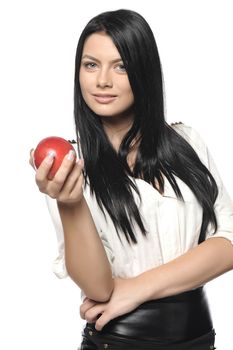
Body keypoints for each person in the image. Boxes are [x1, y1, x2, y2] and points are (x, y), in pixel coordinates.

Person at [29, 9, 233, 350]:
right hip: (118, 343)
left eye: (120, 65)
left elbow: (228, 242)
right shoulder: (71, 167)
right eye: (90, 65)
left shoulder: (187, 142)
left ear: (144, 71)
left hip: (199, 340)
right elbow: (99, 289)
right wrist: (71, 203)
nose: (102, 81)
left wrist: (139, 287)